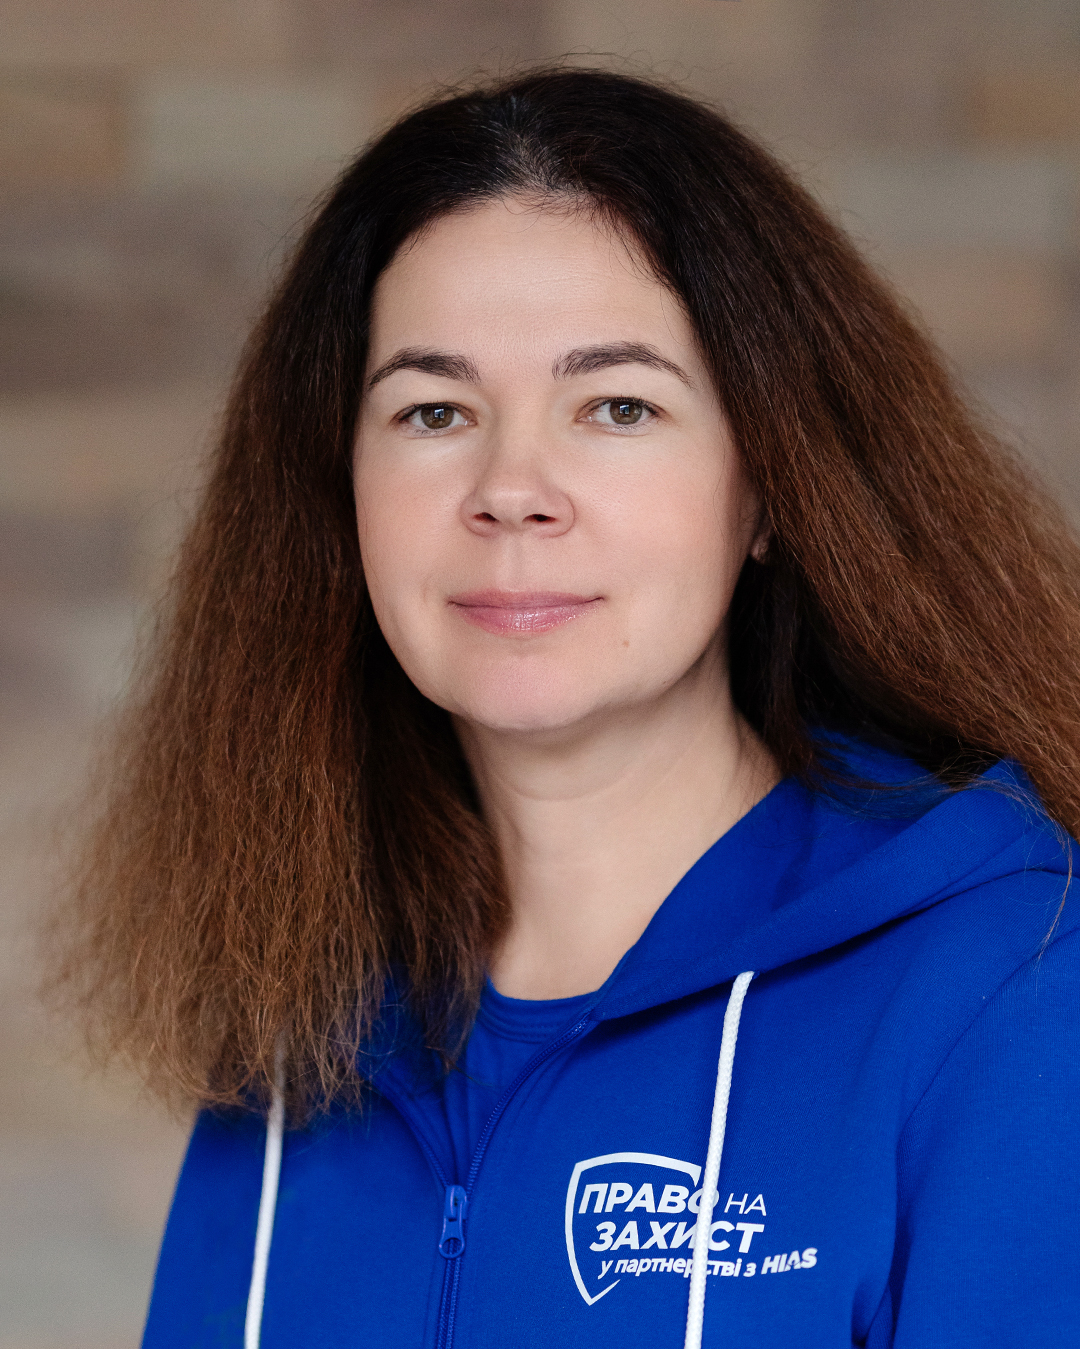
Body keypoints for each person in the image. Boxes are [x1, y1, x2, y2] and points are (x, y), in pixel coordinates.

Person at [53, 68, 1080, 1348]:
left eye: (617, 405)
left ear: (768, 487)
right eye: (434, 409)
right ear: (342, 492)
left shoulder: (1008, 987)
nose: (512, 488)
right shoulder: (296, 1029)